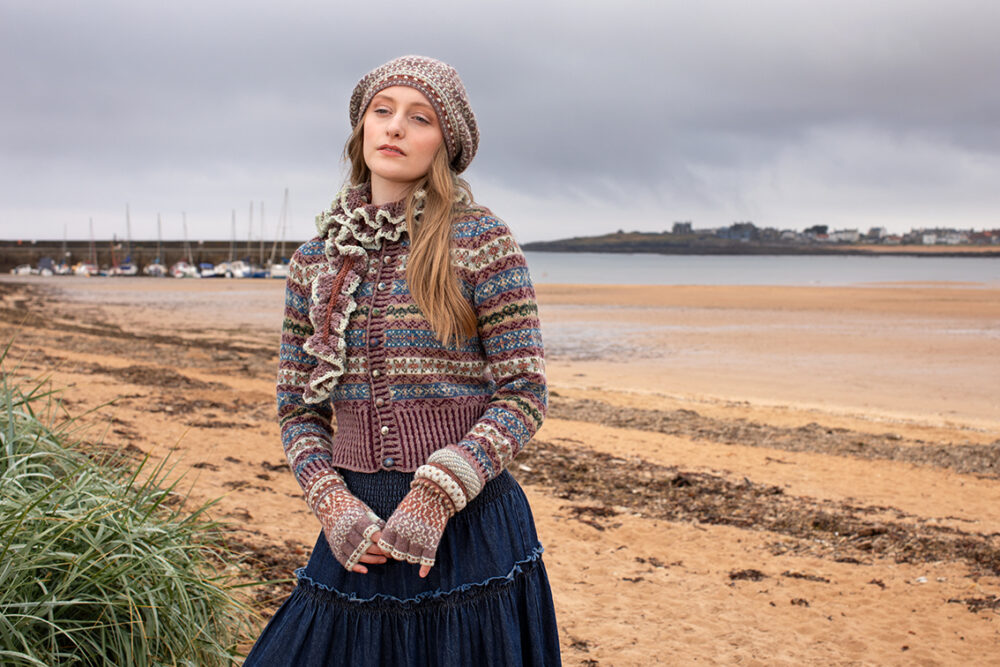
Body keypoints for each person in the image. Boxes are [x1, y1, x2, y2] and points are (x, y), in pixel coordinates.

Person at [244, 55, 561, 666]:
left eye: (419, 119)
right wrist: (330, 504)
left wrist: (437, 493)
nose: (395, 128)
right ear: (361, 128)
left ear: (446, 143)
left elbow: (523, 392)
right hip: (355, 530)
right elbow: (297, 409)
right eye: (381, 112)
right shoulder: (315, 261)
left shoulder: (480, 240)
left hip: (470, 527)